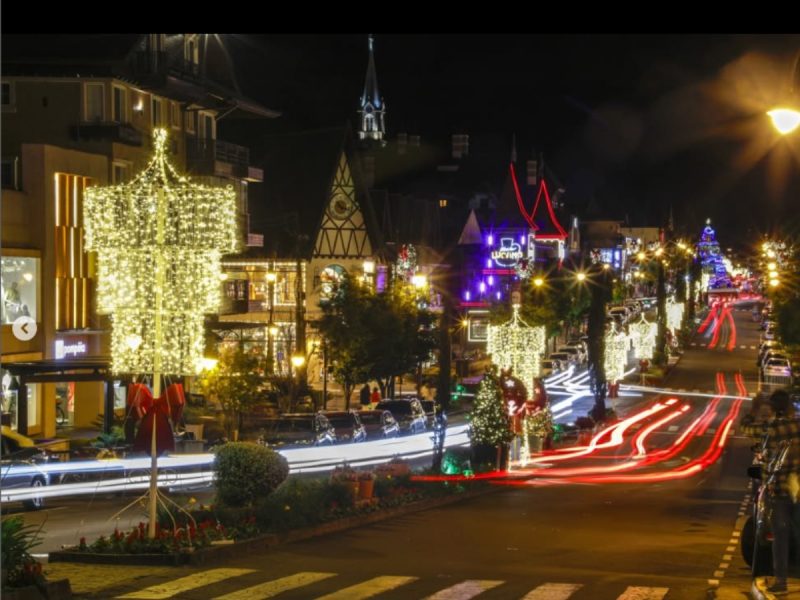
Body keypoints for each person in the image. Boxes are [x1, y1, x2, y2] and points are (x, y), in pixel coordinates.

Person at [741, 390, 800, 594]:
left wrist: (752, 411)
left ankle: (782, 581)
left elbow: (746, 427)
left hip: (778, 491)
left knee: (780, 538)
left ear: (774, 409)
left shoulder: (771, 429)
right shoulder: (797, 426)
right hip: (798, 491)